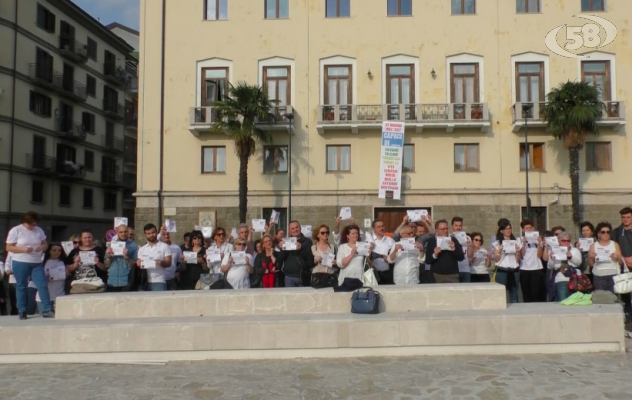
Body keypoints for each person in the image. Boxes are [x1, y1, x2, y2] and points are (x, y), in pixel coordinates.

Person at [4, 211, 54, 319]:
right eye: (30, 224)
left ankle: (47, 309)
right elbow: (9, 247)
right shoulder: (16, 230)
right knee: (22, 286)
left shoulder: (39, 230)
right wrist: (23, 249)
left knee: (42, 285)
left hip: (36, 262)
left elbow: (45, 244)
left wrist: (42, 247)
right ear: (24, 222)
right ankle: (22, 310)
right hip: (20, 261)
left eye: (34, 224)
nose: (32, 226)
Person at [544, 232, 582, 302]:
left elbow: (578, 263)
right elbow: (550, 266)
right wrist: (552, 258)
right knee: (563, 301)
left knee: (575, 301)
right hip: (561, 279)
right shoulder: (554, 250)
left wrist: (570, 257)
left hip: (575, 279)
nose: (566, 242)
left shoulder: (575, 250)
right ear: (558, 241)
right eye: (564, 241)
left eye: (568, 240)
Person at [275, 221, 315, 287]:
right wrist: (281, 249)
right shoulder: (285, 242)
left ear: (300, 228)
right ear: (290, 231)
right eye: (292, 228)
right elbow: (279, 260)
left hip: (303, 276)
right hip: (289, 276)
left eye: (297, 227)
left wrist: (301, 249)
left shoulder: (307, 241)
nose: (295, 230)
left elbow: (310, 259)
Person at [588, 222, 624, 295]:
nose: (606, 234)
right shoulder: (593, 246)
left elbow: (621, 262)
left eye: (608, 232)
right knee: (600, 298)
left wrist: (617, 257)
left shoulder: (615, 244)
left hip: (613, 275)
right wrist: (591, 258)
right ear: (599, 234)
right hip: (599, 275)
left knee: (613, 298)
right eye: (603, 232)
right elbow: (591, 264)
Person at [425, 219, 464, 284]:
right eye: (443, 229)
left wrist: (454, 249)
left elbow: (461, 257)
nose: (445, 231)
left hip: (452, 275)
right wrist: (435, 255)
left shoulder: (453, 239)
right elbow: (428, 260)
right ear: (437, 230)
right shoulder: (432, 241)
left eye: (446, 228)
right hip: (437, 275)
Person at [136, 224, 173, 291]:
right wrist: (138, 264)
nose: (151, 235)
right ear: (145, 235)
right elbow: (139, 264)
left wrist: (160, 262)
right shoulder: (142, 249)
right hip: (144, 282)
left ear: (156, 232)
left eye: (153, 232)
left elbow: (169, 263)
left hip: (159, 281)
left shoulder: (164, 246)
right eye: (148, 233)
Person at [492, 221, 522, 303]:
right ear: (501, 231)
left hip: (514, 270)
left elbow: (517, 259)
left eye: (509, 228)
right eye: (506, 229)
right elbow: (496, 259)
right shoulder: (497, 243)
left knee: (514, 295)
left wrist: (518, 252)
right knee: (500, 294)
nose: (508, 230)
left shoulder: (516, 242)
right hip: (502, 270)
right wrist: (499, 251)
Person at [104, 224, 138, 292]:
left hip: (126, 282)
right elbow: (106, 265)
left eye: (125, 232)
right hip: (112, 281)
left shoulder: (134, 246)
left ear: (128, 232)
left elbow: (134, 264)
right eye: (121, 232)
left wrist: (126, 257)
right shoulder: (111, 245)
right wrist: (108, 257)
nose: (123, 234)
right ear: (117, 232)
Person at [611, 207, 632, 316]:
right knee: (626, 292)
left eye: (628, 217)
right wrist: (624, 259)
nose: (625, 219)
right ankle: (628, 316)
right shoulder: (616, 232)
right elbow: (613, 247)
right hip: (624, 266)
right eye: (623, 217)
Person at [519, 220, 545, 302]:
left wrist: (539, 243)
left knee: (536, 292)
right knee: (526, 293)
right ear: (523, 230)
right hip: (524, 268)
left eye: (530, 228)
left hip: (536, 268)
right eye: (526, 228)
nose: (529, 229)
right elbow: (521, 254)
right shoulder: (520, 239)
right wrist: (523, 243)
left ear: (533, 228)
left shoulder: (538, 239)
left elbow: (539, 255)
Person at [36, 243, 67, 313]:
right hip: (44, 297)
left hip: (60, 295)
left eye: (59, 250)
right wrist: (44, 278)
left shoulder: (63, 262)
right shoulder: (42, 262)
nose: (57, 252)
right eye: (54, 250)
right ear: (49, 251)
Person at [365, 220, 394, 284]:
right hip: (373, 273)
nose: (381, 228)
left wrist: (389, 258)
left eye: (383, 226)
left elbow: (395, 255)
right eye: (378, 227)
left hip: (387, 273)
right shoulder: (368, 241)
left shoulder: (390, 240)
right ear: (373, 229)